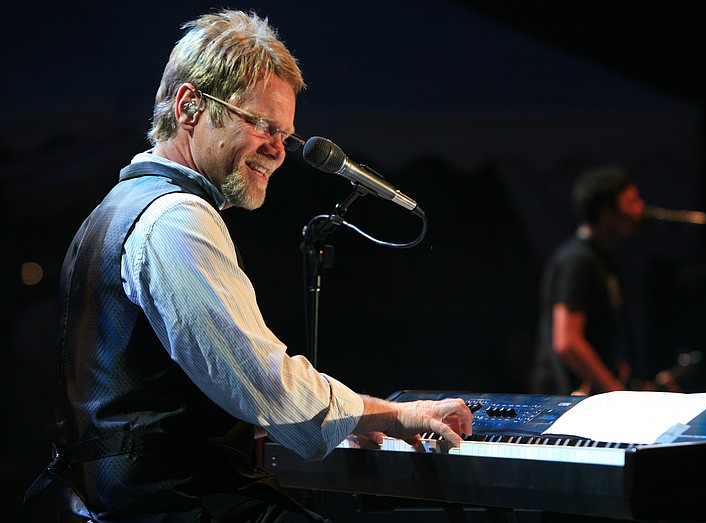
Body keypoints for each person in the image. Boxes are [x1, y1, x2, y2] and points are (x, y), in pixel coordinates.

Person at [24, 10, 472, 523]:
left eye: (285, 133)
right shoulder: (175, 219)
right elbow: (259, 377)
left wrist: (339, 419)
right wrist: (396, 414)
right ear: (190, 106)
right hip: (171, 502)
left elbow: (164, 388)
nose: (279, 151)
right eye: (260, 124)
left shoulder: (118, 206)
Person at [531, 165, 646, 396]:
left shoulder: (600, 257)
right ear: (606, 212)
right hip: (567, 399)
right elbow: (567, 342)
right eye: (631, 201)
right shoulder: (577, 260)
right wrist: (614, 391)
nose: (640, 209)